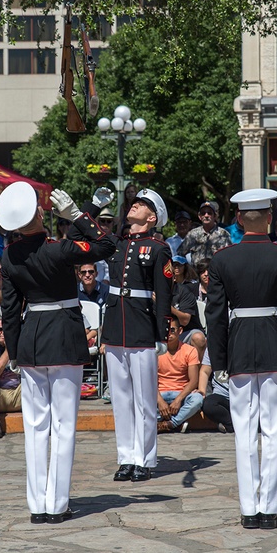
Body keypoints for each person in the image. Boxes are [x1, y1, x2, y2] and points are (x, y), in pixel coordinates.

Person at [0, 181, 115, 524]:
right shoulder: (59, 249)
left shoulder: (10, 255)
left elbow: (9, 310)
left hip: (32, 340)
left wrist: (16, 351)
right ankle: (57, 503)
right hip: (64, 336)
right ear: (37, 213)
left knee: (35, 426)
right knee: (64, 425)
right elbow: (106, 244)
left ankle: (38, 505)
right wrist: (78, 214)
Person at [206, 188, 277, 530]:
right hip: (275, 348)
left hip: (238, 349)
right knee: (273, 431)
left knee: (244, 432)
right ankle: (271, 508)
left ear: (238, 218)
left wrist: (218, 361)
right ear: (269, 218)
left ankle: (250, 509)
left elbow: (216, 315)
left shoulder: (222, 259)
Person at [92, 187, 172, 483]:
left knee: (144, 399)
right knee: (121, 399)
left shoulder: (158, 248)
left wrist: (161, 333)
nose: (135, 206)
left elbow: (164, 294)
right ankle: (125, 457)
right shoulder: (116, 243)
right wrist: (87, 207)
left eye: (142, 205)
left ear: (151, 218)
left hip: (141, 326)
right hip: (115, 325)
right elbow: (85, 232)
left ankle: (144, 458)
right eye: (135, 202)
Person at [156, 315, 202, 433]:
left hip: (181, 394)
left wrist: (178, 400)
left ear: (180, 331)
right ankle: (178, 423)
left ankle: (170, 423)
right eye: (166, 330)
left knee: (197, 399)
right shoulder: (155, 351)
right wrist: (160, 401)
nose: (169, 334)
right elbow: (149, 380)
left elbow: (194, 381)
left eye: (172, 330)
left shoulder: (189, 350)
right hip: (160, 394)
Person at [178, 200, 232, 266]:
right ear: (199, 216)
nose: (206, 215)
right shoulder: (192, 235)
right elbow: (180, 255)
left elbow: (230, 257)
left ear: (215, 216)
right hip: (197, 274)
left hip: (216, 274)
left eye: (209, 213)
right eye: (203, 213)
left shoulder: (224, 235)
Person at [198, 348, 232, 433]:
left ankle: (230, 426)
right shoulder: (212, 345)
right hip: (222, 394)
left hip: (243, 395)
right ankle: (231, 424)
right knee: (208, 405)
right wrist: (202, 391)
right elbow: (205, 371)